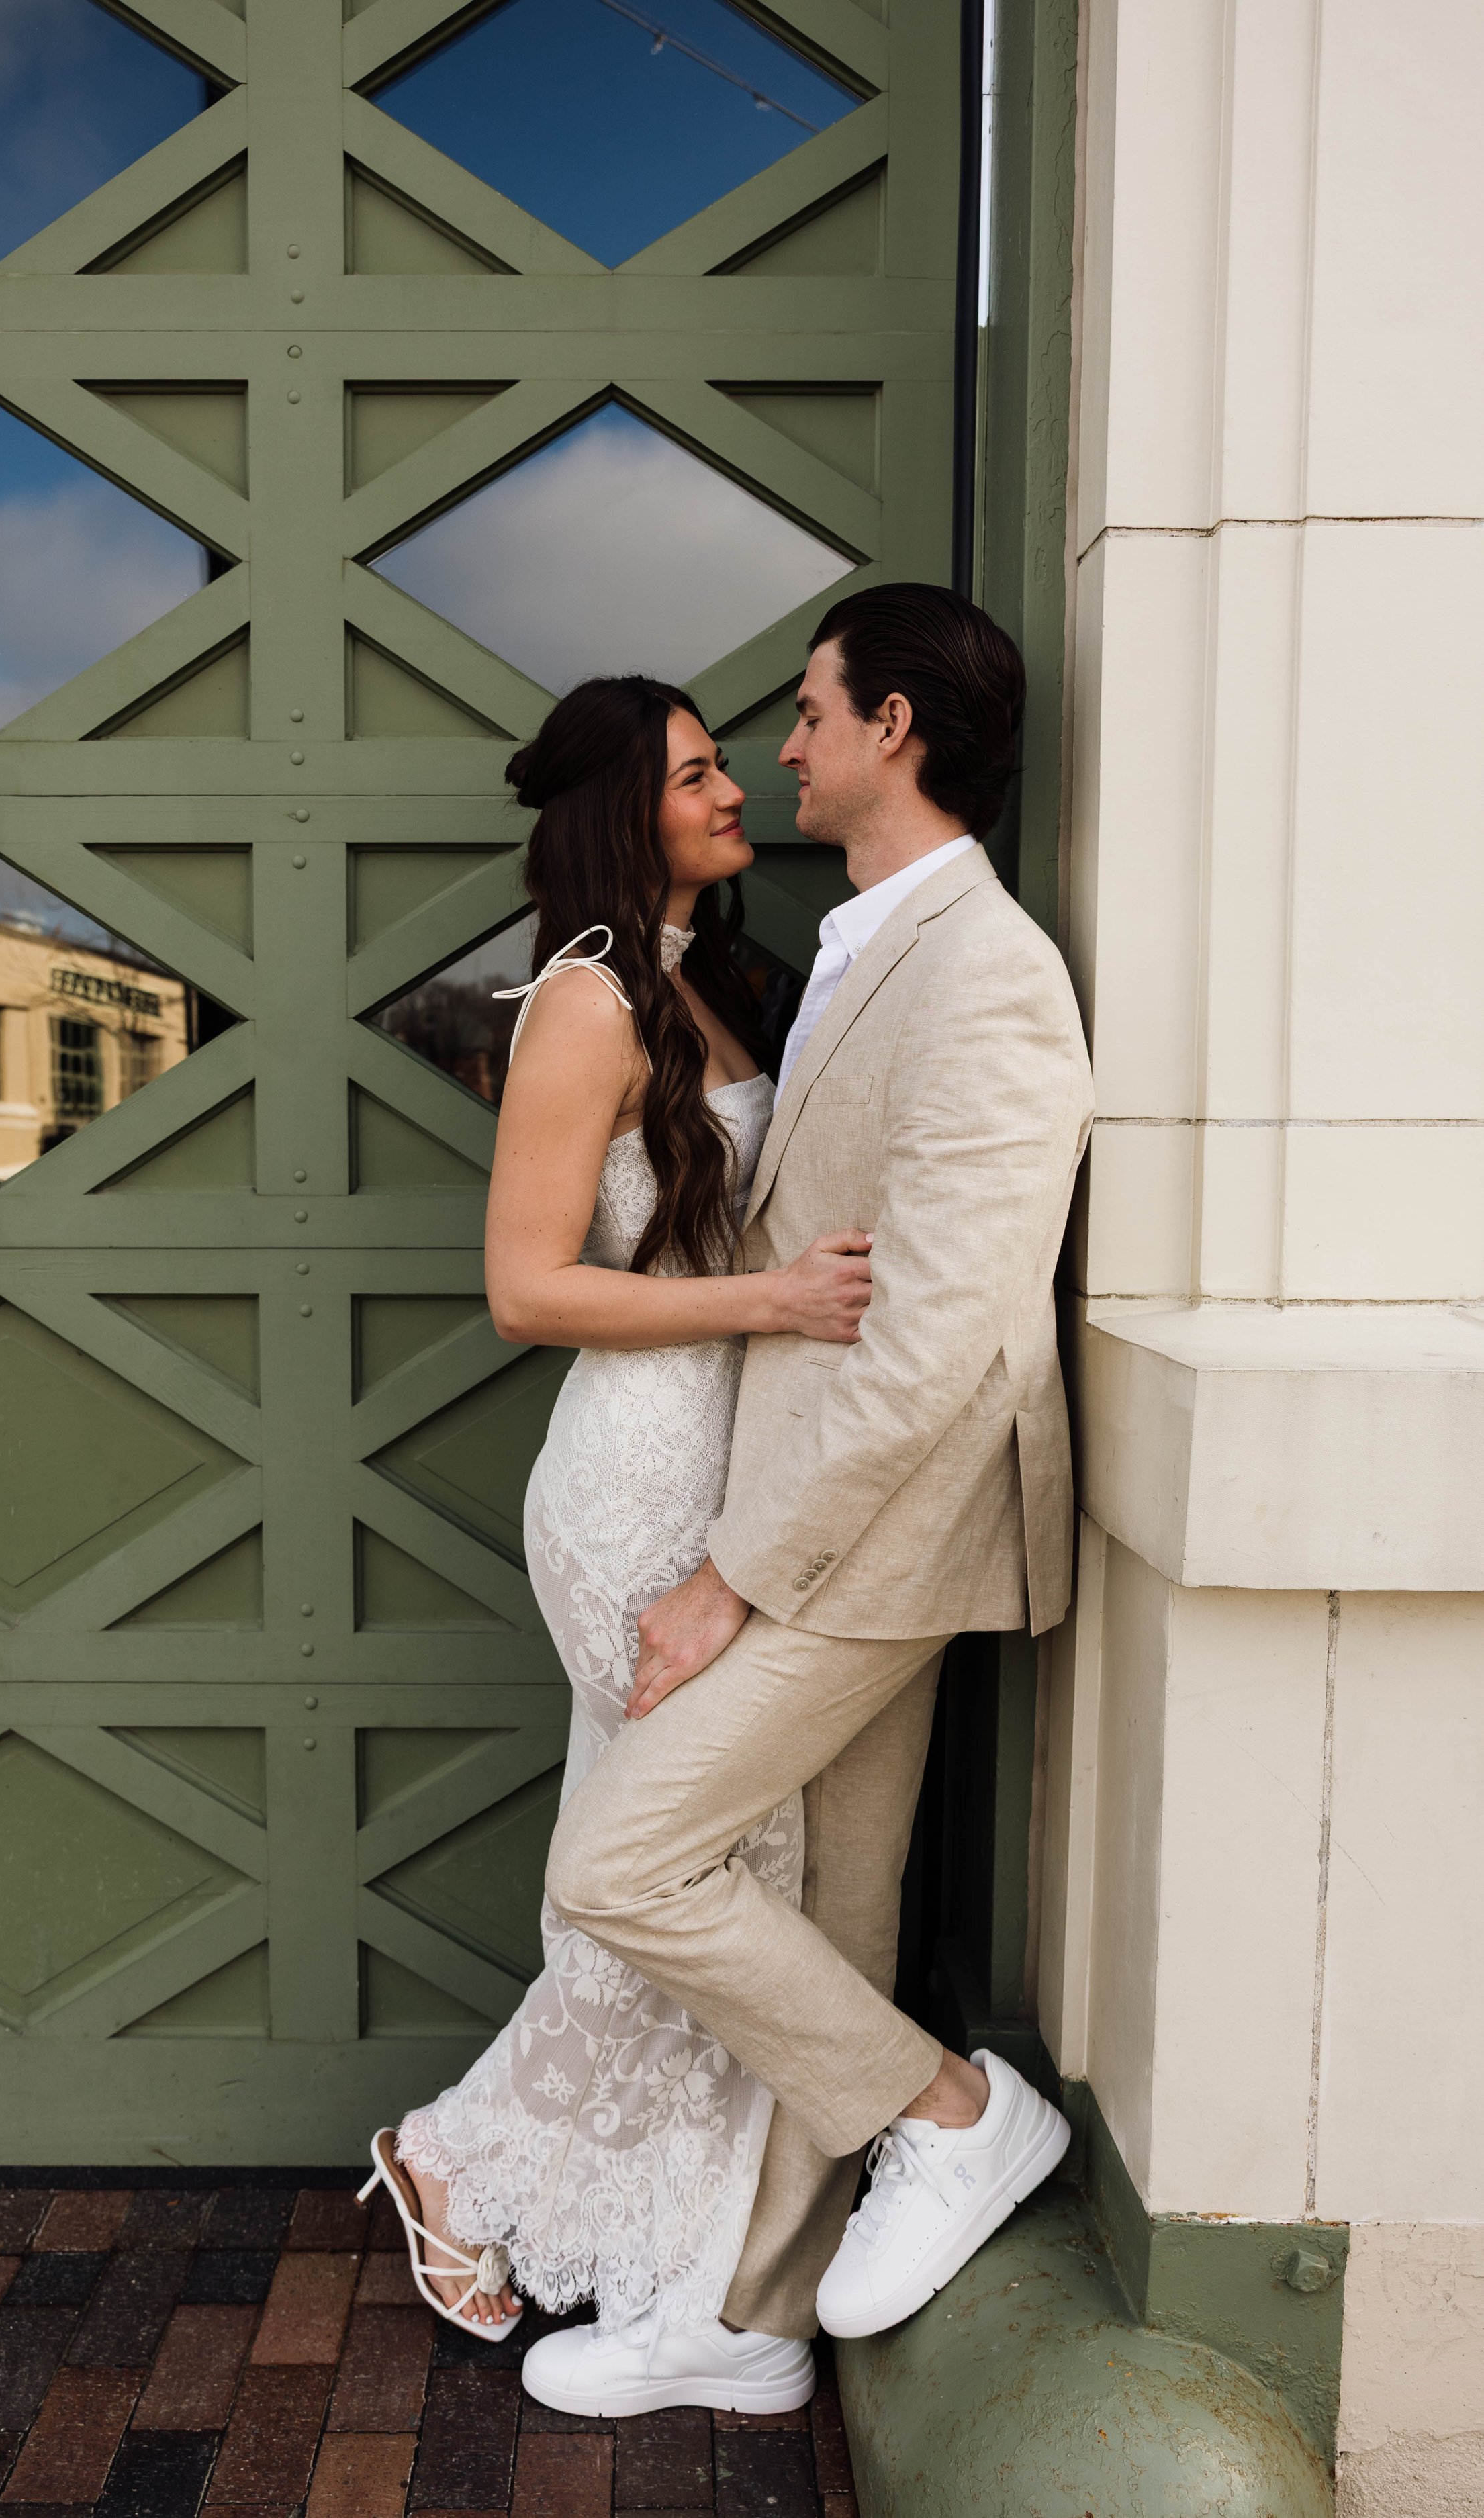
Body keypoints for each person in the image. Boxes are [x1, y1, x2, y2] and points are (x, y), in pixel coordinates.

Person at [522, 583, 1094, 2414]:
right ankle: (753, 2324)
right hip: (790, 1505)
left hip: (871, 1539)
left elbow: (936, 1345)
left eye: (809, 710)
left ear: (896, 727)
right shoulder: (844, 942)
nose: (782, 749)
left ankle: (953, 2110)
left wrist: (731, 1578)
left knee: (621, 1863)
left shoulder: (989, 972)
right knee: (833, 1914)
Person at [359, 675, 874, 2415]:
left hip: (735, 1486)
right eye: (696, 772)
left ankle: (661, 2252)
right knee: (696, 1872)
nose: (735, 789)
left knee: (682, 1872)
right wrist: (778, 1299)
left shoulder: (708, 983)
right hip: (636, 1490)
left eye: (729, 761)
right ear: (617, 809)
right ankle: (456, 2161)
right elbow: (528, 1290)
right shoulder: (583, 1003)